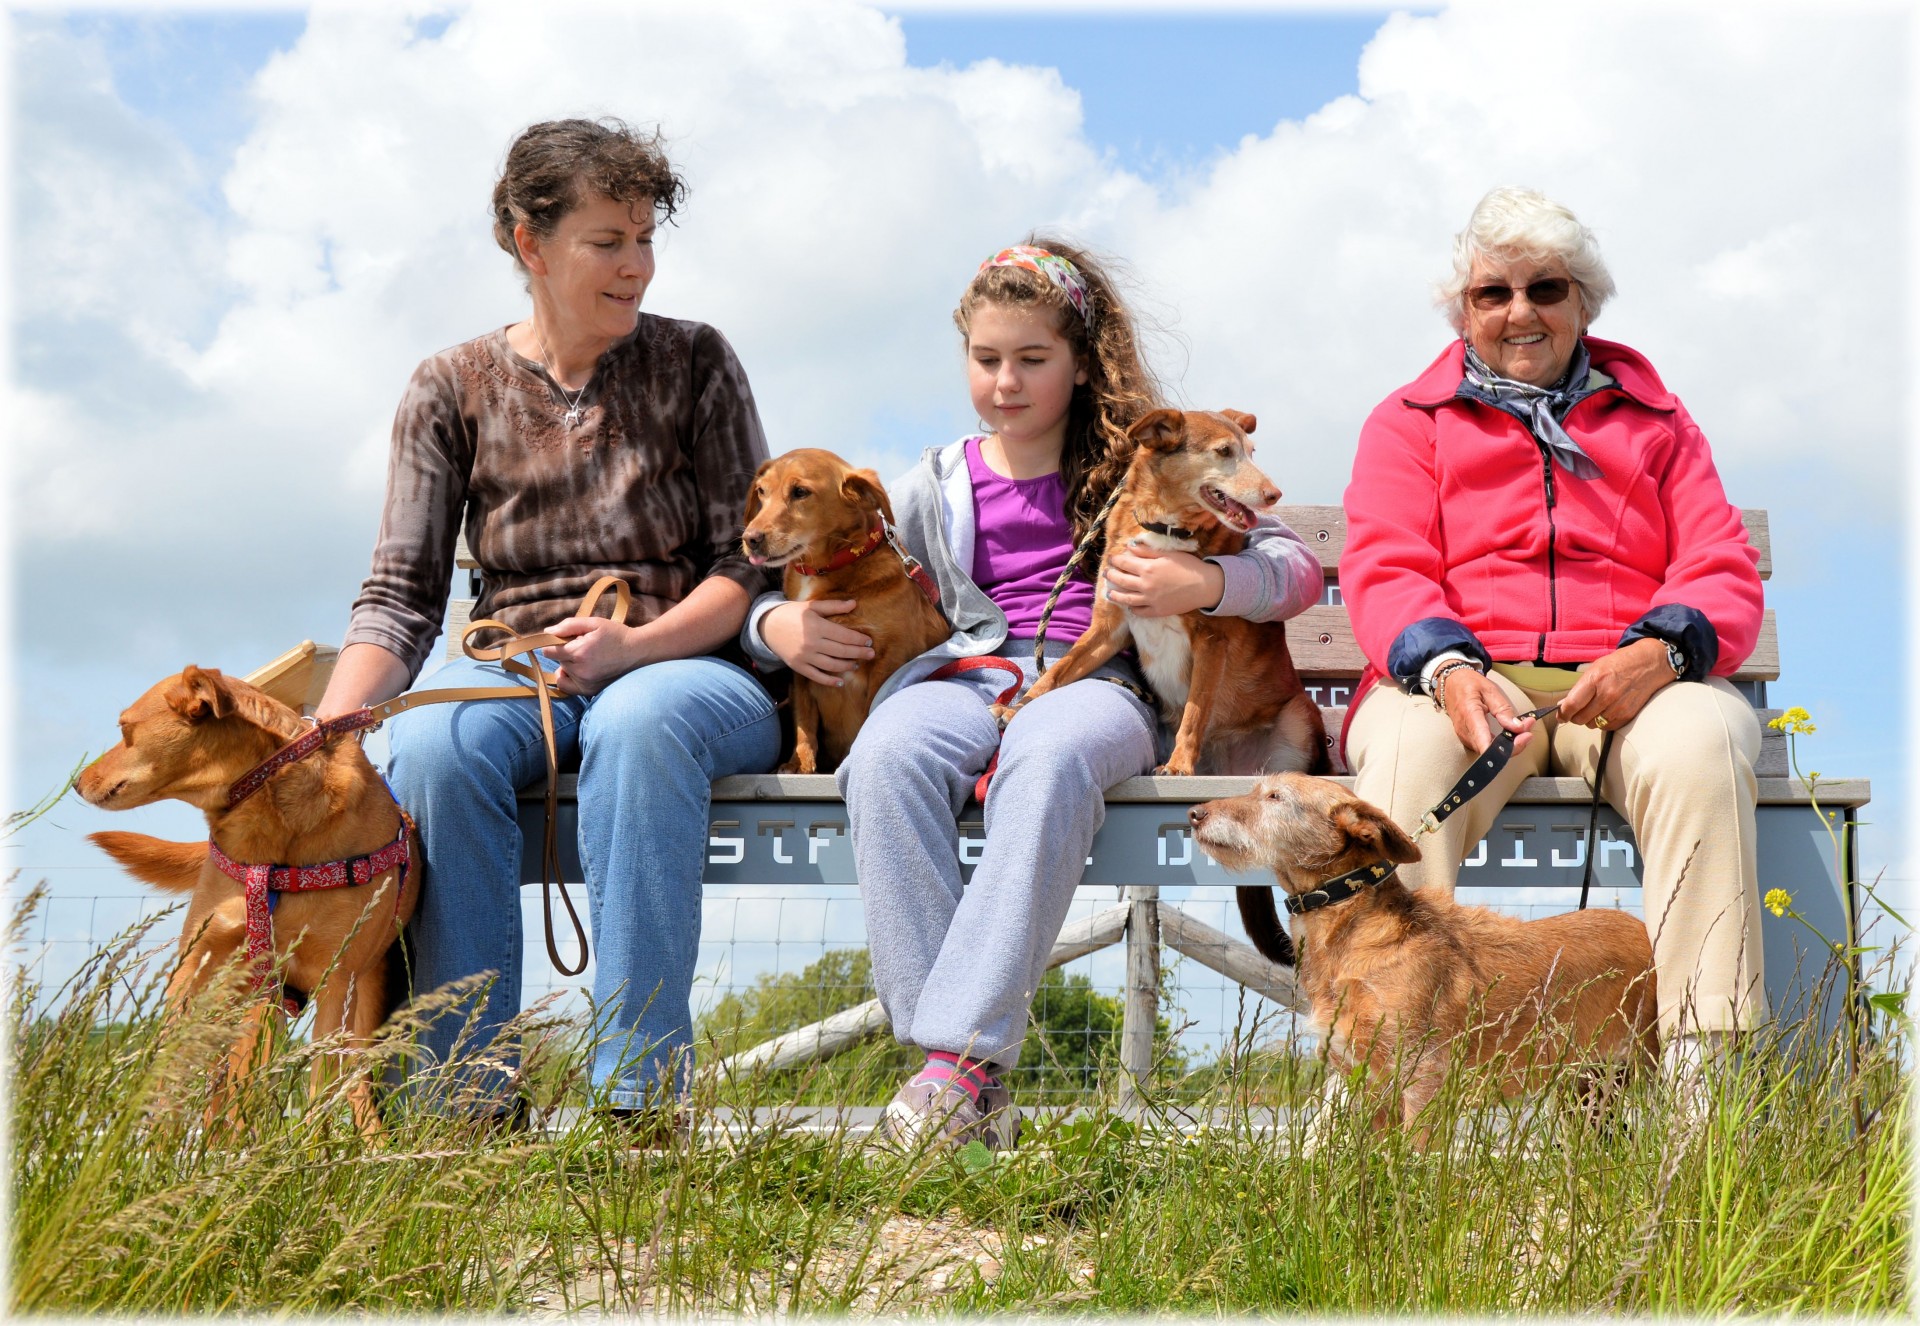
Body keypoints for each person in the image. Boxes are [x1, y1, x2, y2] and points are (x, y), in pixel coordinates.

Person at [744, 239, 1324, 1148]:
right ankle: (958, 1074)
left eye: (1031, 360)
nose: (1005, 382)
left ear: (1081, 365)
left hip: (1100, 683)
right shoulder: (936, 483)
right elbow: (814, 556)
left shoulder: (1147, 468)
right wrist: (770, 629)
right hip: (960, 674)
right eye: (986, 360)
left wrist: (1208, 589)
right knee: (887, 760)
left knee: (1049, 759)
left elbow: (1291, 566)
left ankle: (959, 1067)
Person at [319, 118, 780, 1128]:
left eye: (645, 239)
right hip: (515, 669)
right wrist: (335, 731)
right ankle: (462, 1102)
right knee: (434, 747)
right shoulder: (449, 388)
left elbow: (745, 566)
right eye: (607, 242)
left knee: (641, 723)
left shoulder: (699, 362)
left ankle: (637, 1102)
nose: (637, 265)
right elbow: (400, 597)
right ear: (531, 243)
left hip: (689, 662)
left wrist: (635, 647)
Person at [1339, 187, 1767, 1080]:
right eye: (1493, 293)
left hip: (1627, 689)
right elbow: (1385, 567)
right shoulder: (1408, 421)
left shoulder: (1657, 420)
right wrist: (1450, 672)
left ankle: (1705, 1076)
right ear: (1464, 311)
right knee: (1402, 772)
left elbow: (1717, 559)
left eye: (1547, 288)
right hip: (1460, 683)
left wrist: (1658, 654)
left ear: (1585, 303)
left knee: (1706, 742)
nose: (1519, 311)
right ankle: (1381, 1080)